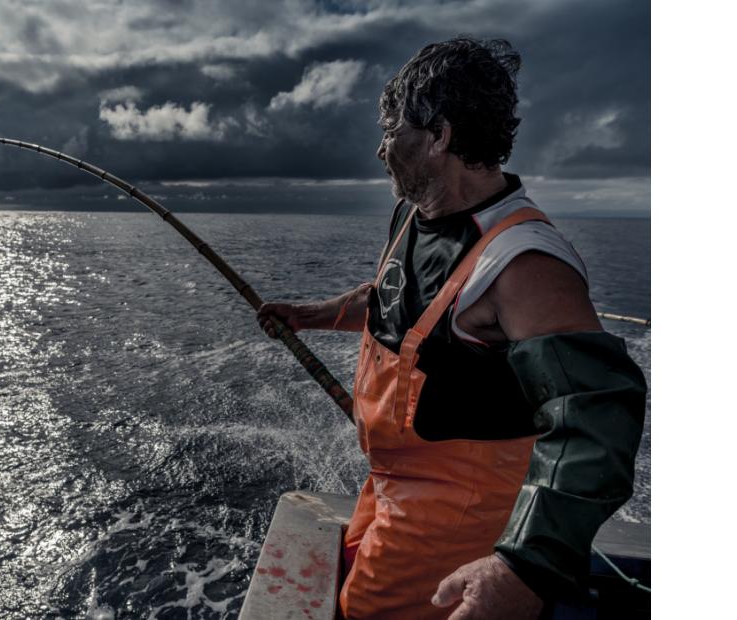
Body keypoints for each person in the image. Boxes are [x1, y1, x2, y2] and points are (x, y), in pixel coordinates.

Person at [257, 37, 646, 619]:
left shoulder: (523, 264)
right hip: (391, 483)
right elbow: (392, 300)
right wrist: (312, 315)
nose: (380, 149)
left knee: (367, 612)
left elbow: (596, 415)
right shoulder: (415, 215)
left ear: (438, 136)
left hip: (460, 508)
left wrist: (524, 566)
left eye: (392, 130)